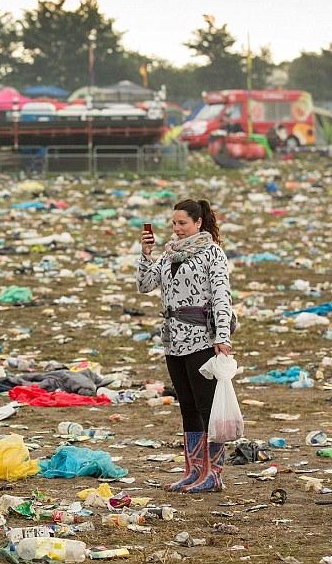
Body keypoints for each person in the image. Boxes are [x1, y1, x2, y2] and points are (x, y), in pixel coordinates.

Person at [136, 199, 234, 493]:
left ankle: (214, 474)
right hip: (173, 340)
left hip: (201, 338)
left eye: (182, 223)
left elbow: (221, 295)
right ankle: (194, 472)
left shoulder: (212, 253)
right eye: (174, 223)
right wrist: (146, 254)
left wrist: (223, 337)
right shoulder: (169, 255)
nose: (177, 229)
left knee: (207, 407)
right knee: (188, 407)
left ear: (198, 223)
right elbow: (145, 285)